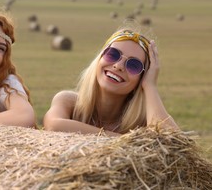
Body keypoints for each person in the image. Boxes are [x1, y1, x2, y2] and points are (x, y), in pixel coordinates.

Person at [43, 28, 179, 136]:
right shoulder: (69, 102)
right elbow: (53, 125)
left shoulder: (144, 120)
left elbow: (175, 147)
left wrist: (150, 86)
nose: (118, 65)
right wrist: (127, 141)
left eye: (133, 65)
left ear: (142, 78)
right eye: (113, 54)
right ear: (100, 58)